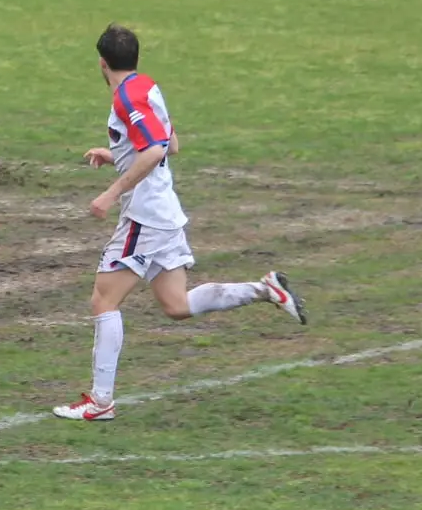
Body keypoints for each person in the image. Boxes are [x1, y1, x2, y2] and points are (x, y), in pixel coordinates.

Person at [53, 24, 307, 422]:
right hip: (165, 212)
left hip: (146, 216)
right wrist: (115, 151)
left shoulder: (125, 99)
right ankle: (265, 289)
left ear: (102, 64)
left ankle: (101, 402)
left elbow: (155, 151)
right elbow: (170, 142)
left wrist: (110, 193)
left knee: (104, 299)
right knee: (176, 305)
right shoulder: (147, 87)